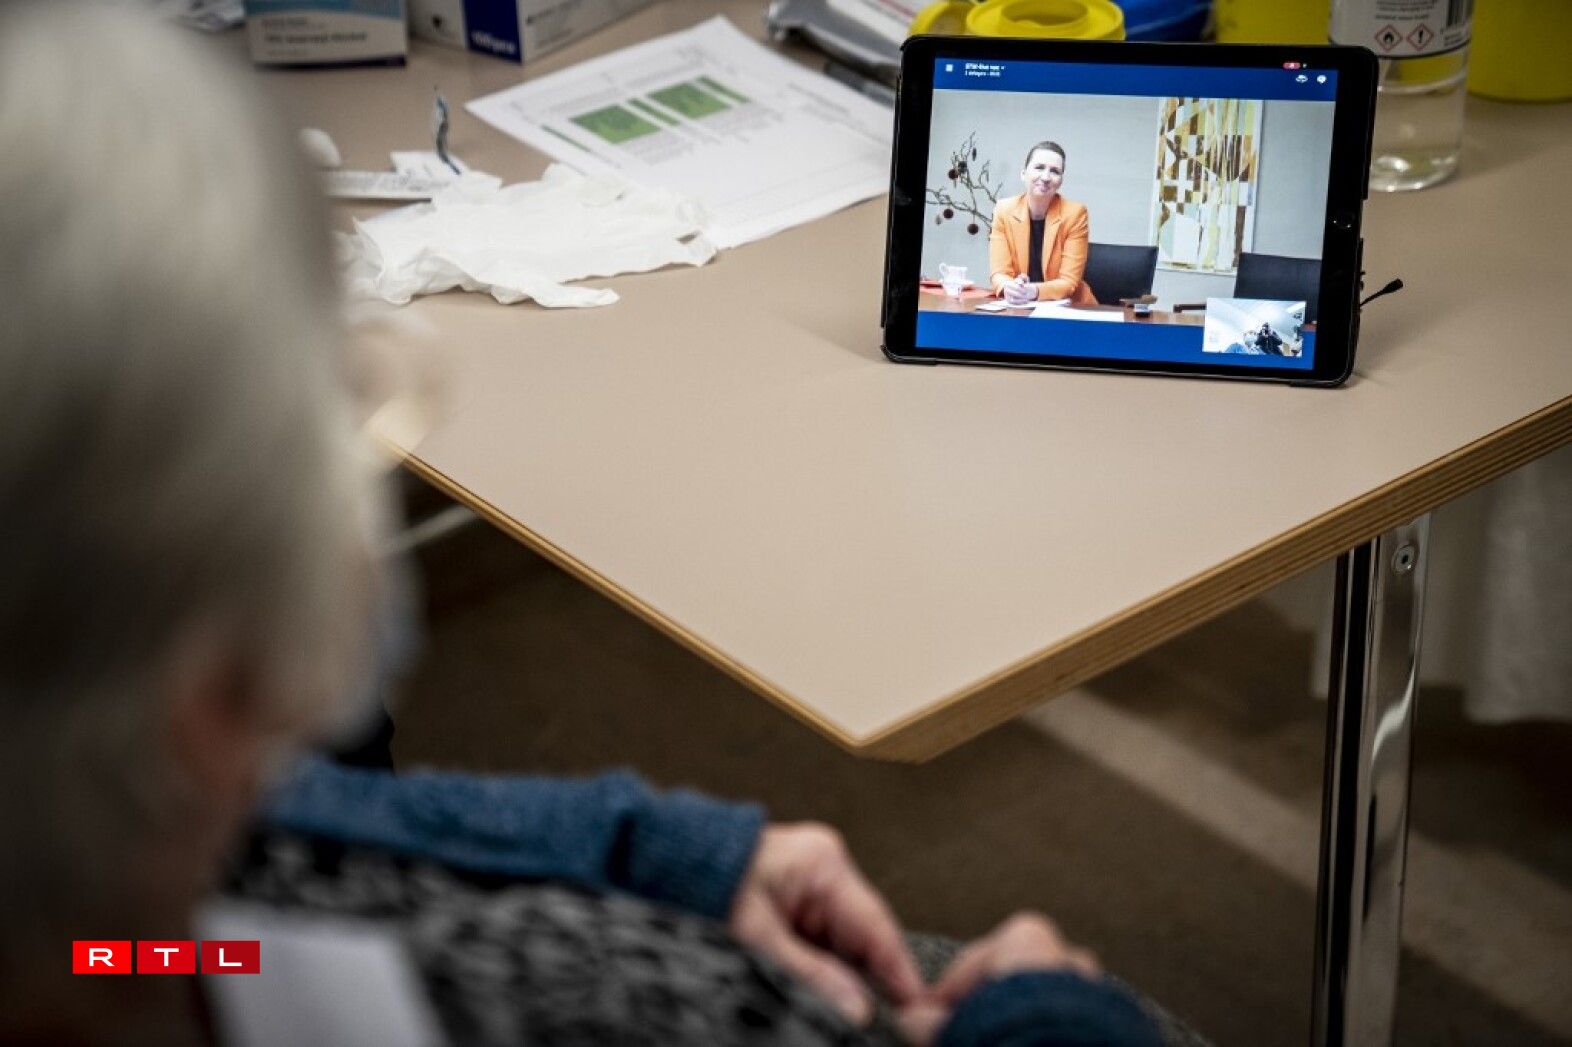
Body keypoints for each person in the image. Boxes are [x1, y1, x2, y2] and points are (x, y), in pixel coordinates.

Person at [0, 5, 1161, 1045]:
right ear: (229, 680)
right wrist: (1050, 1019)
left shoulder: (114, 935)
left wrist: (631, 845)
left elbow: (227, 894)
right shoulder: (612, 1007)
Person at [988, 142, 1097, 307]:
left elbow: (1069, 282)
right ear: (1023, 174)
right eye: (1039, 167)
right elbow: (999, 273)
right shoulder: (1004, 210)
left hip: (1071, 308)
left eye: (1055, 171)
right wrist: (1009, 287)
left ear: (1060, 181)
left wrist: (1034, 291)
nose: (1046, 177)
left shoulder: (1075, 214)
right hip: (1019, 306)